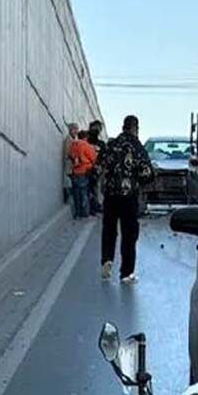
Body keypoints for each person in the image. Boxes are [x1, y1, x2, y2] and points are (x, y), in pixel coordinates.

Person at [97, 115, 154, 283]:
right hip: (129, 197)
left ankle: (107, 259)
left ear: (123, 127)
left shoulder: (111, 144)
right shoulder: (137, 147)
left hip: (110, 195)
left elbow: (99, 165)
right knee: (129, 234)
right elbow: (147, 172)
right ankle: (126, 272)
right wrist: (139, 181)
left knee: (109, 229)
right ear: (135, 128)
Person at [68, 129, 97, 219]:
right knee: (84, 193)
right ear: (85, 137)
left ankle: (77, 213)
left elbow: (70, 155)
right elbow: (93, 158)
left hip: (74, 171)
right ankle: (84, 213)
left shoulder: (73, 145)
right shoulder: (86, 145)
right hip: (84, 171)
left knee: (76, 194)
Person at [86, 120, 105, 215]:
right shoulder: (85, 141)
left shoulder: (101, 144)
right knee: (88, 189)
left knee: (96, 189)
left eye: (98, 128)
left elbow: (104, 156)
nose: (97, 130)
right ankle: (90, 207)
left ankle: (95, 206)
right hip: (86, 169)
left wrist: (100, 167)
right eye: (95, 128)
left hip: (97, 169)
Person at [63, 123, 80, 204]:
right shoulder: (69, 140)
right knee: (70, 184)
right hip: (70, 166)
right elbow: (68, 153)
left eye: (77, 129)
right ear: (70, 130)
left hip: (74, 167)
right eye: (74, 129)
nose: (76, 131)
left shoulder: (74, 140)